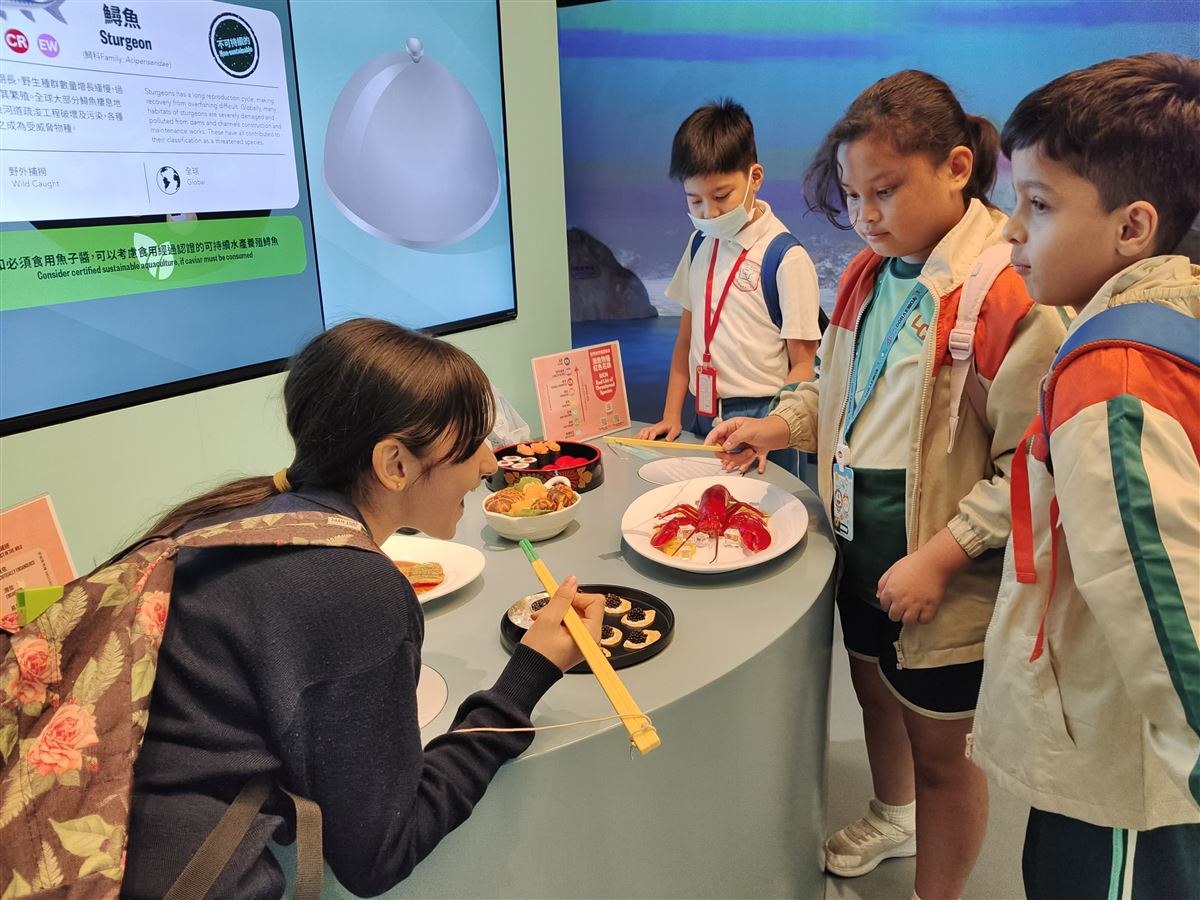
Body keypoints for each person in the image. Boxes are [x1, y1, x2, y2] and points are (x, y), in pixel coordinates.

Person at [707, 71, 1066, 899]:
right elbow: (839, 389)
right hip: (860, 548)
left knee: (945, 754)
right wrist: (780, 426)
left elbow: (1034, 466)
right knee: (875, 697)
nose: (865, 215)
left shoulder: (1009, 290)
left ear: (957, 167)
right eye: (852, 195)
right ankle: (891, 814)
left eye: (886, 190)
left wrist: (941, 557)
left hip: (947, 578)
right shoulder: (871, 273)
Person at [122, 319, 604, 898]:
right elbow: (378, 854)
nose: (488, 464)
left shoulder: (245, 516)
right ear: (395, 463)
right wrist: (530, 673)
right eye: (471, 442)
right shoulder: (352, 588)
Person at [968, 53, 1200, 898]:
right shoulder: (1161, 319)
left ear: (1133, 227)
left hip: (1131, 769)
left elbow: (1168, 606)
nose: (1010, 229)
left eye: (1039, 204)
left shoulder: (1115, 377)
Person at [636, 98, 822, 476]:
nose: (710, 213)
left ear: (755, 177)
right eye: (695, 200)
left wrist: (769, 430)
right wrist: (671, 415)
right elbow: (686, 339)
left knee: (765, 507)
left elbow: (804, 365)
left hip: (764, 415)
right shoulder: (699, 243)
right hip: (704, 414)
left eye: (721, 196)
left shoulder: (785, 257)